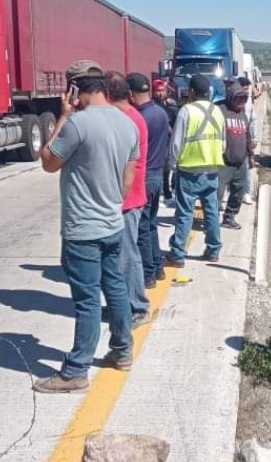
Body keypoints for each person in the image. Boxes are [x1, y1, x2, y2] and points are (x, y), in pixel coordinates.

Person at [34, 60, 139, 393]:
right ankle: (122, 351)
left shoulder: (77, 124)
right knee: (116, 288)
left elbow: (48, 162)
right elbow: (128, 177)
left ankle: (77, 369)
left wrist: (63, 115)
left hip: (83, 228)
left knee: (87, 300)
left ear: (74, 88)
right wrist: (110, 202)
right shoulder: (128, 124)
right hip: (111, 222)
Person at [105, 71, 151, 329]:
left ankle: (137, 306)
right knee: (120, 254)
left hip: (127, 197)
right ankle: (124, 304)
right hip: (129, 195)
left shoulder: (124, 119)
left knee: (127, 254)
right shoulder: (132, 116)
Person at [165, 74, 225, 268]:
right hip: (212, 169)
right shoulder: (217, 111)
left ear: (191, 91)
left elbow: (176, 143)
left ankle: (178, 254)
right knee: (212, 211)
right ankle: (214, 250)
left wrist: (172, 165)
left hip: (189, 170)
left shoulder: (186, 111)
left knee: (185, 213)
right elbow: (222, 142)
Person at [128, 73, 170, 288]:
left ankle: (148, 274)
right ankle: (157, 266)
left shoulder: (139, 117)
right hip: (157, 174)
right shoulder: (160, 112)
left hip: (145, 175)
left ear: (131, 94)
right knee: (151, 224)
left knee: (142, 228)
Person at [217, 82, 254, 230]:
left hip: (240, 162)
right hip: (223, 162)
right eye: (239, 98)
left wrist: (251, 156)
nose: (242, 102)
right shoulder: (220, 110)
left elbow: (248, 136)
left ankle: (229, 217)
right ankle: (212, 219)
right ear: (231, 97)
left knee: (238, 192)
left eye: (244, 99)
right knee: (217, 193)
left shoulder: (243, 114)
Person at [153, 78, 179, 205]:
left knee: (168, 168)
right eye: (157, 91)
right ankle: (165, 193)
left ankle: (168, 191)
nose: (160, 93)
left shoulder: (170, 105)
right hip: (158, 142)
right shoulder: (153, 106)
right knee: (162, 169)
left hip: (169, 141)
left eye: (162, 90)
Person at [238, 76, 259, 205]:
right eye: (244, 89)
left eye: (248, 90)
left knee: (246, 167)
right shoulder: (231, 100)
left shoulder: (249, 102)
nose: (246, 92)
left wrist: (254, 137)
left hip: (245, 137)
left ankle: (246, 193)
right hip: (233, 137)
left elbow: (253, 120)